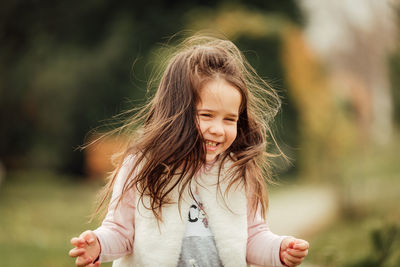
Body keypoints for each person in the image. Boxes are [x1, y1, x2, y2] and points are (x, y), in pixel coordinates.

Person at [69, 35, 309, 267]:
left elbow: (253, 237)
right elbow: (121, 232)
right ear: (176, 112)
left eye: (229, 119)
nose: (218, 129)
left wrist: (279, 249)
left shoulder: (237, 170)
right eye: (206, 115)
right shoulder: (143, 166)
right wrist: (98, 244)